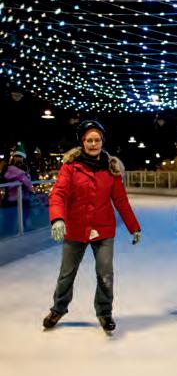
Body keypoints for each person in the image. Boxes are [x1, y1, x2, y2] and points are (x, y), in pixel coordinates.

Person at [43, 120, 141, 334]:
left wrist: (133, 226)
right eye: (89, 140)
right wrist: (57, 218)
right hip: (76, 228)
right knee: (67, 274)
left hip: (103, 229)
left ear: (102, 141)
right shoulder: (71, 167)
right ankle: (58, 309)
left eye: (97, 140)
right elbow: (58, 193)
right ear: (82, 142)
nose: (93, 144)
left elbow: (121, 200)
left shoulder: (111, 169)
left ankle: (105, 313)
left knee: (105, 274)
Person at [1, 144, 33, 235]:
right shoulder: (11, 168)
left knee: (19, 219)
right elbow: (28, 183)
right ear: (14, 157)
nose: (19, 158)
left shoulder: (25, 168)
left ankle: (20, 232)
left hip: (21, 199)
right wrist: (24, 177)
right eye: (17, 156)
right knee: (11, 221)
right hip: (13, 200)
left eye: (20, 157)